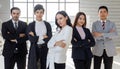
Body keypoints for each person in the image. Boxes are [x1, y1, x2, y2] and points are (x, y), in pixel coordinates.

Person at [27, 4, 52, 69]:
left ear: (43, 13)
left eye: (41, 12)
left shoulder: (47, 24)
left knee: (45, 65)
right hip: (34, 48)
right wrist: (42, 37)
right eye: (37, 12)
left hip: (45, 48)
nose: (39, 14)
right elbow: (31, 39)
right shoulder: (31, 25)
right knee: (34, 66)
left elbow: (49, 37)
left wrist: (36, 37)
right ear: (34, 13)